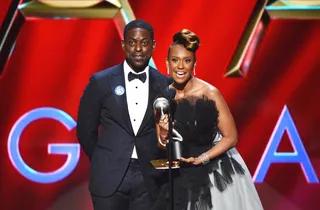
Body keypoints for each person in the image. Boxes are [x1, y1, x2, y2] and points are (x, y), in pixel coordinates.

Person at [156, 29, 264, 210]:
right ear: (167, 63)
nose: (180, 66)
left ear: (194, 64)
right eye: (175, 60)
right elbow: (161, 144)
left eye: (187, 61)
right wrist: (164, 134)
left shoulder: (209, 93)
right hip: (181, 174)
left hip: (214, 171)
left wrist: (202, 158)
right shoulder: (162, 96)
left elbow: (231, 137)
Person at [76, 20, 171, 210]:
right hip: (108, 176)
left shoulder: (166, 85)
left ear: (153, 46)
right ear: (123, 45)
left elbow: (170, 134)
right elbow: (85, 130)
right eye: (132, 42)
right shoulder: (101, 81)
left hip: (150, 178)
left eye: (144, 43)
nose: (137, 48)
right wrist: (104, 159)